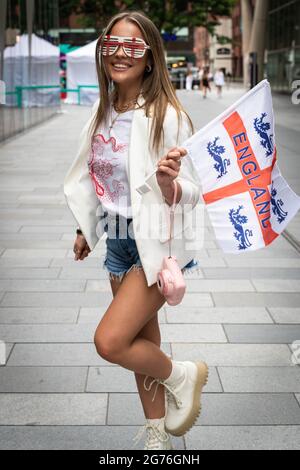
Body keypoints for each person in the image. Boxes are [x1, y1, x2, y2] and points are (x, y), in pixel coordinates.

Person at [63, 10, 208, 450]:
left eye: (131, 48)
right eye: (112, 45)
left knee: (110, 341)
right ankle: (157, 436)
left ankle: (182, 373)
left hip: (155, 245)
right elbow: (97, 176)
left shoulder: (168, 114)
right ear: (103, 51)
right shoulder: (101, 110)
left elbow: (196, 189)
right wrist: (86, 227)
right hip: (116, 242)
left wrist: (170, 185)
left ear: (149, 58)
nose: (120, 55)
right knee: (140, 341)